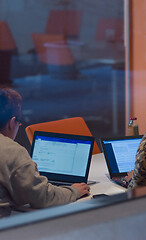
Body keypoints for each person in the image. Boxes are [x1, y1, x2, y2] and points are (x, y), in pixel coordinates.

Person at [0, 88, 90, 218]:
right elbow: (42, 198)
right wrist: (74, 191)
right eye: (18, 123)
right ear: (12, 122)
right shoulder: (12, 152)